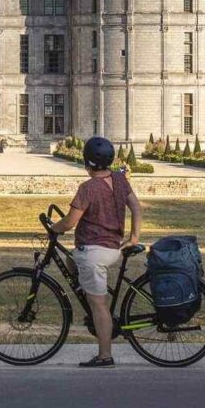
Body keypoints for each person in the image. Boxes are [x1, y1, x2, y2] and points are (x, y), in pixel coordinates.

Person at [49, 136, 141, 368]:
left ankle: (105, 356)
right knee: (72, 258)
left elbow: (70, 222)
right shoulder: (120, 180)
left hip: (94, 253)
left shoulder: (88, 188)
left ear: (87, 163)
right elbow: (136, 207)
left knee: (99, 305)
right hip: (113, 249)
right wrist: (134, 237)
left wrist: (53, 228)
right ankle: (88, 292)